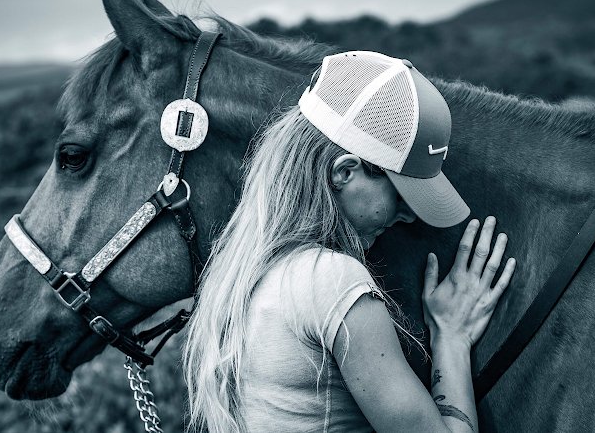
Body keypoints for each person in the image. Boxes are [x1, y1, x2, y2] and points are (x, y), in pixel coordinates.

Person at [182, 51, 516, 433]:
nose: (407, 215)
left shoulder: (246, 280)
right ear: (344, 172)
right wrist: (451, 339)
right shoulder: (331, 279)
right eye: (402, 194)